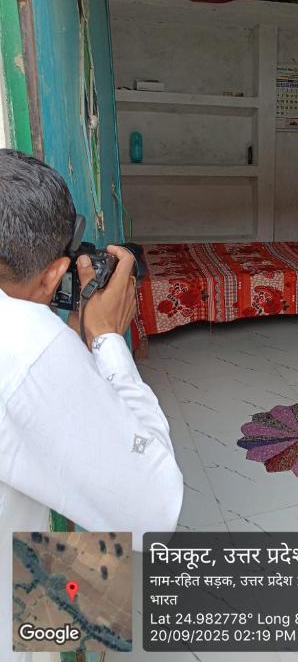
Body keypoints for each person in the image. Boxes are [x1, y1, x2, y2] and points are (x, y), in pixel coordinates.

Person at [0, 149, 184, 661]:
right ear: (55, 271)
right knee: (111, 574)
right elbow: (154, 510)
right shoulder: (25, 345)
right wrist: (106, 339)